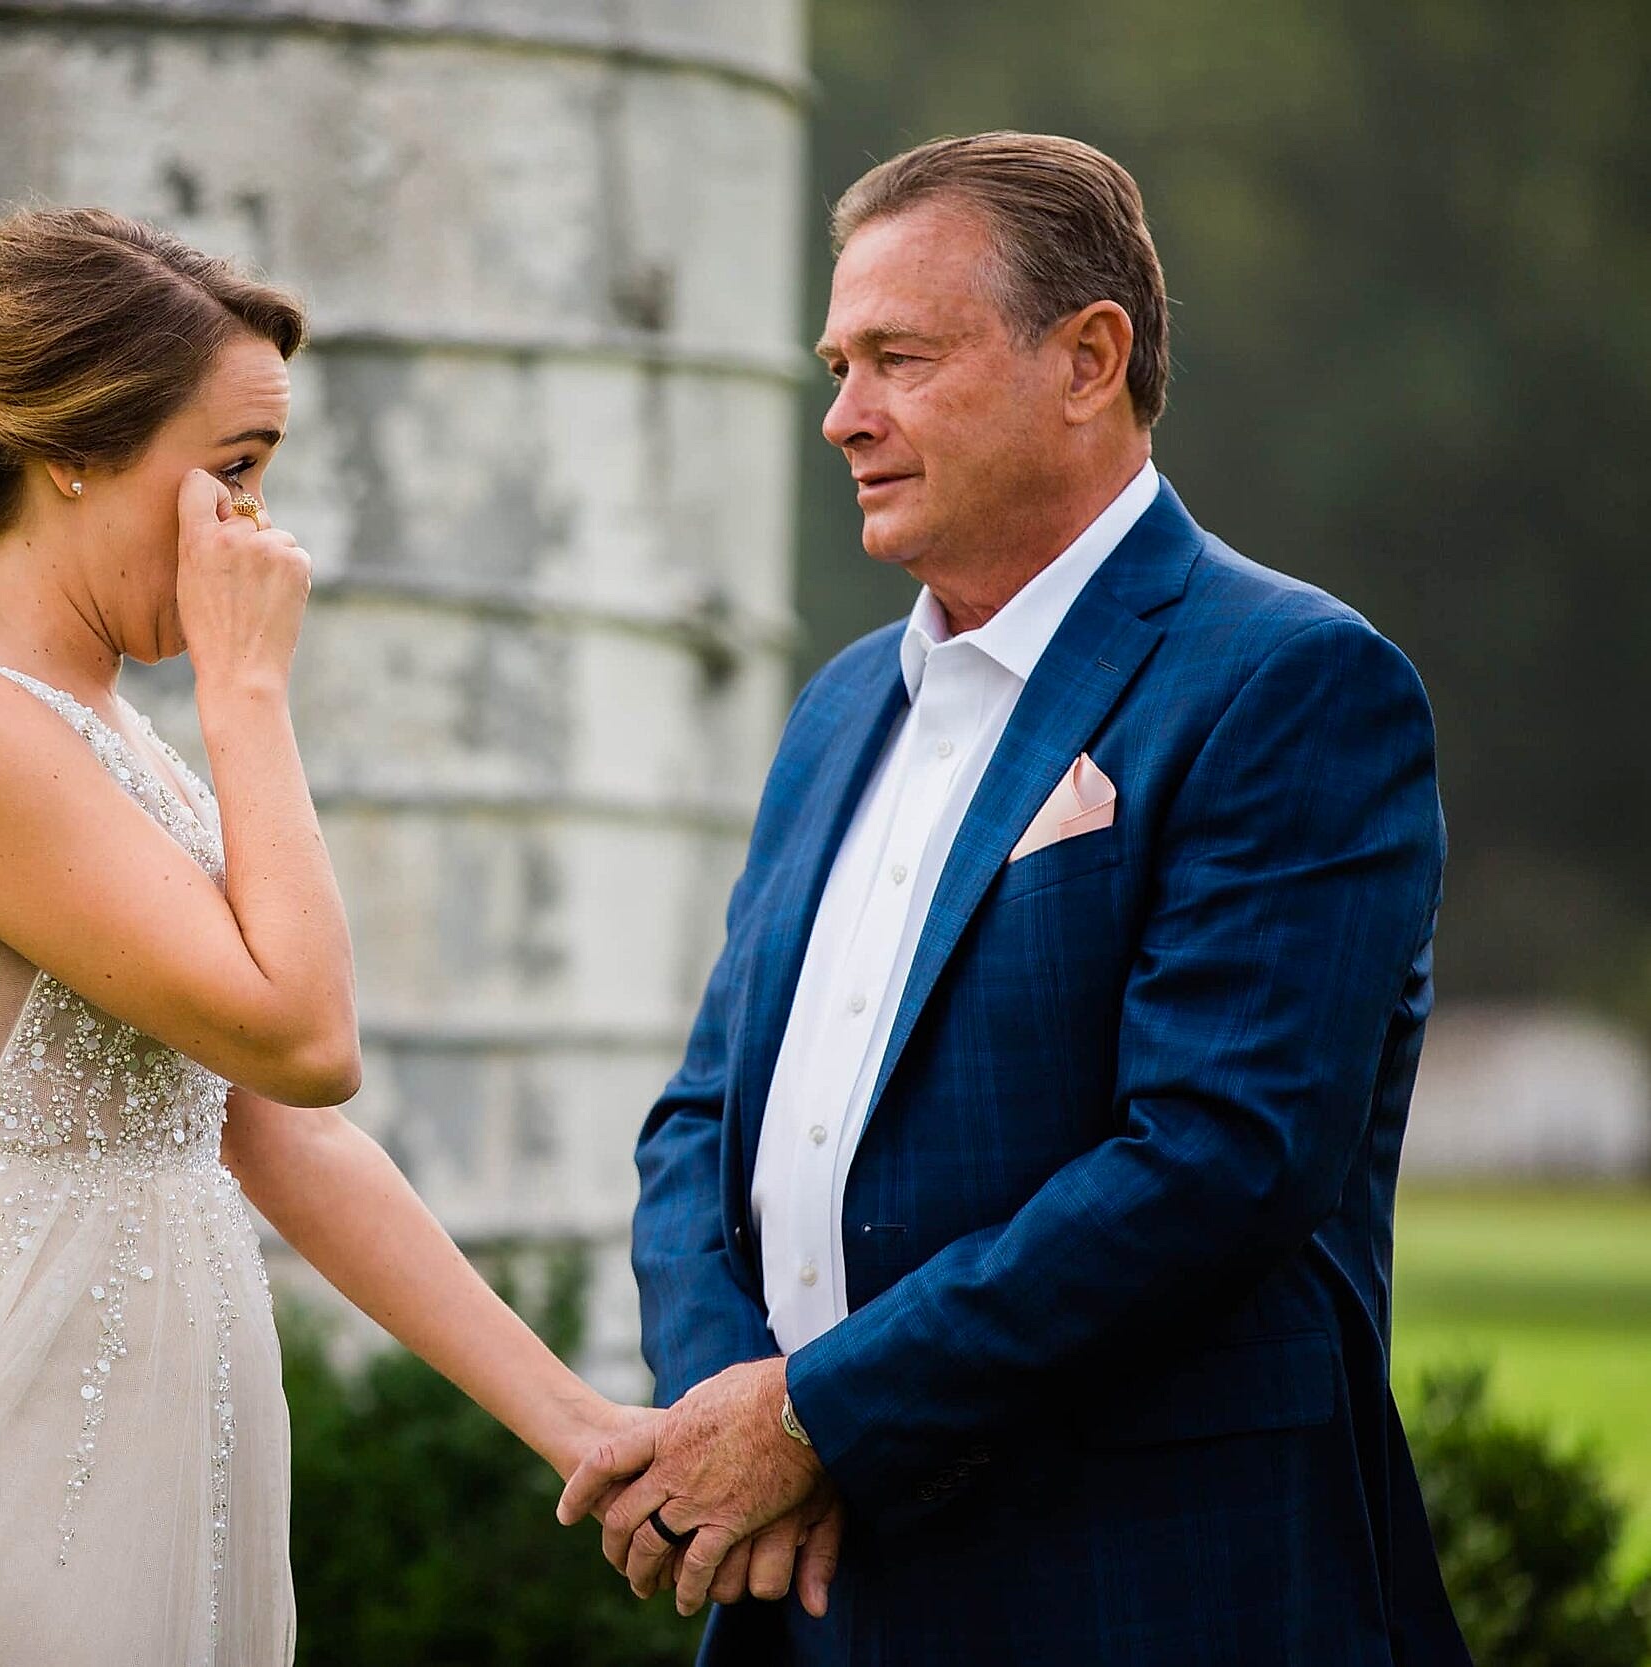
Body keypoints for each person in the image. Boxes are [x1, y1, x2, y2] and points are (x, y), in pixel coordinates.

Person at [0, 205, 649, 1666]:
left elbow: (271, 1127)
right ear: (75, 453)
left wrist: (581, 1425)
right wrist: (252, 695)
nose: (260, 532)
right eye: (232, 473)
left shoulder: (110, 735)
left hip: (138, 1402)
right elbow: (306, 1041)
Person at [559, 132, 1472, 1665]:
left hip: (1142, 1591)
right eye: (837, 366)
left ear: (1088, 359)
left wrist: (813, 1418)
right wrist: (741, 1424)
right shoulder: (845, 707)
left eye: (899, 360)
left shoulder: (1290, 681)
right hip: (811, 1587)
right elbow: (701, 1122)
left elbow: (1216, 1160)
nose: (844, 418)